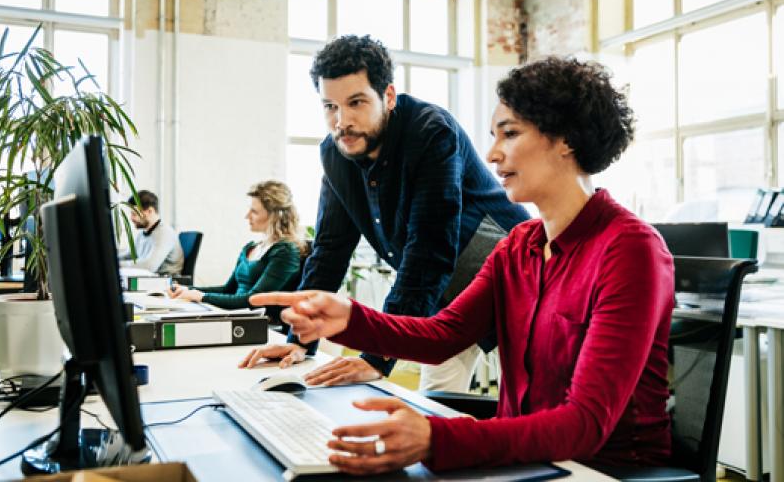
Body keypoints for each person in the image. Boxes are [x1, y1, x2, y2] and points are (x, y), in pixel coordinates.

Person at [250, 57, 674, 475]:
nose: (491, 154)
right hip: (528, 461)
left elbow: (584, 425)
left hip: (604, 471)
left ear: (565, 139)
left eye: (509, 134)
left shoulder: (629, 249)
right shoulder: (520, 245)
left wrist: (437, 438)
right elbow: (443, 335)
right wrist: (348, 318)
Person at [240, 35, 530, 391]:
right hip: (438, 300)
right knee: (437, 407)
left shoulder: (429, 130)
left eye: (356, 102)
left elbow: (429, 249)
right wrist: (299, 341)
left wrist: (376, 357)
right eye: (329, 106)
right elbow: (330, 249)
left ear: (388, 97)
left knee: (537, 402)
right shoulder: (336, 154)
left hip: (511, 284)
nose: (341, 121)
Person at [169, 181, 302, 309]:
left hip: (259, 322)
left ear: (274, 216)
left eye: (254, 212)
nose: (247, 216)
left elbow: (253, 299)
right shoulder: (251, 247)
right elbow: (228, 289)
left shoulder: (286, 251)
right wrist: (188, 290)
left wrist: (201, 296)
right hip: (237, 314)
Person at [118, 190, 184, 275]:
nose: (131, 218)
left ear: (150, 211)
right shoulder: (142, 234)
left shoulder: (165, 233)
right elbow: (130, 255)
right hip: (149, 280)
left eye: (134, 214)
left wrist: (116, 265)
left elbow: (149, 266)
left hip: (164, 283)